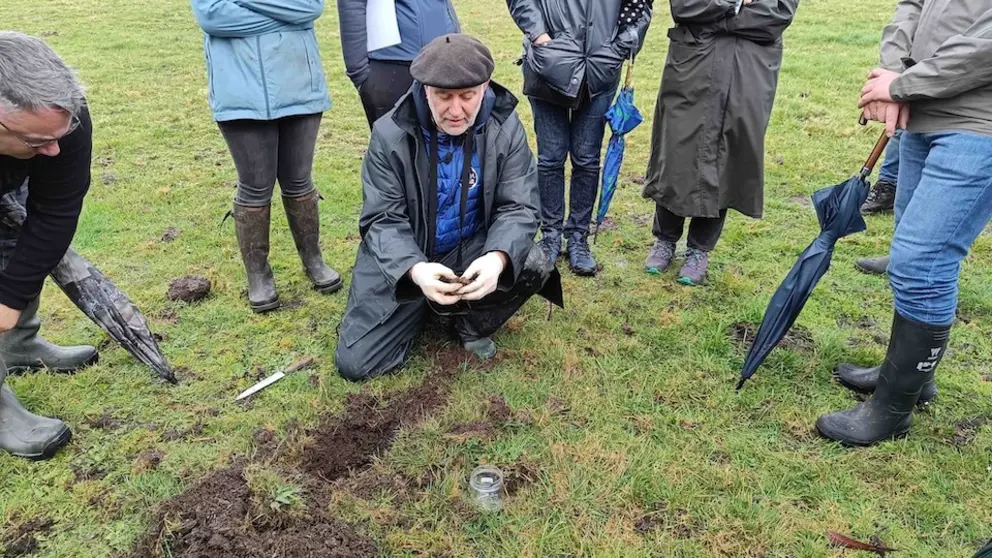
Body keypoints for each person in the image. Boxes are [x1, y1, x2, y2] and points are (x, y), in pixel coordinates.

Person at [334, 34, 563, 381]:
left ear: (485, 87)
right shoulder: (388, 134)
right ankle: (425, 304)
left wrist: (497, 258)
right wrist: (413, 270)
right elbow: (382, 218)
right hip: (411, 256)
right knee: (356, 365)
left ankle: (469, 323)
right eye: (443, 96)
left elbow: (520, 207)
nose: (455, 111)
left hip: (470, 248)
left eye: (467, 96)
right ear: (425, 90)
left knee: (533, 263)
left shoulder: (506, 127)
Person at [817, 0, 992, 446]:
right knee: (912, 254)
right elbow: (911, 7)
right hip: (920, 114)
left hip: (977, 125)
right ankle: (913, 377)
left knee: (922, 262)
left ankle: (893, 411)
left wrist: (906, 83)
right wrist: (890, 77)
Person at [190, 0, 341, 313]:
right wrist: (283, 18)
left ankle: (313, 261)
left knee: (299, 180)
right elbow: (212, 17)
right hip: (239, 95)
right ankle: (258, 274)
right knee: (255, 186)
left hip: (300, 86)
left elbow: (309, 8)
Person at [640, 0, 798, 286]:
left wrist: (715, 16)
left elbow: (776, 16)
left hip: (747, 71)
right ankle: (665, 239)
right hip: (694, 64)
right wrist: (736, 4)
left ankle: (700, 249)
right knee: (676, 150)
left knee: (729, 155)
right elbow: (686, 7)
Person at [0, 32, 97, 459]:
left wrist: (11, 298)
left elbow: (56, 210)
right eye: (38, 143)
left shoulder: (63, 113)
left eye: (60, 135)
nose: (55, 149)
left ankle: (19, 343)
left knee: (18, 242)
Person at [507, 0, 652, 277]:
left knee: (587, 158)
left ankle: (578, 238)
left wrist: (618, 48)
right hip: (548, 66)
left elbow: (639, 7)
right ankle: (550, 235)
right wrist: (540, 36)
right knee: (551, 157)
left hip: (600, 70)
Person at [338, 0, 461, 129]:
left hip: (441, 58)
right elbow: (352, 4)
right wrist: (358, 71)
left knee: (443, 142)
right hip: (390, 66)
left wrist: (455, 44)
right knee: (394, 143)